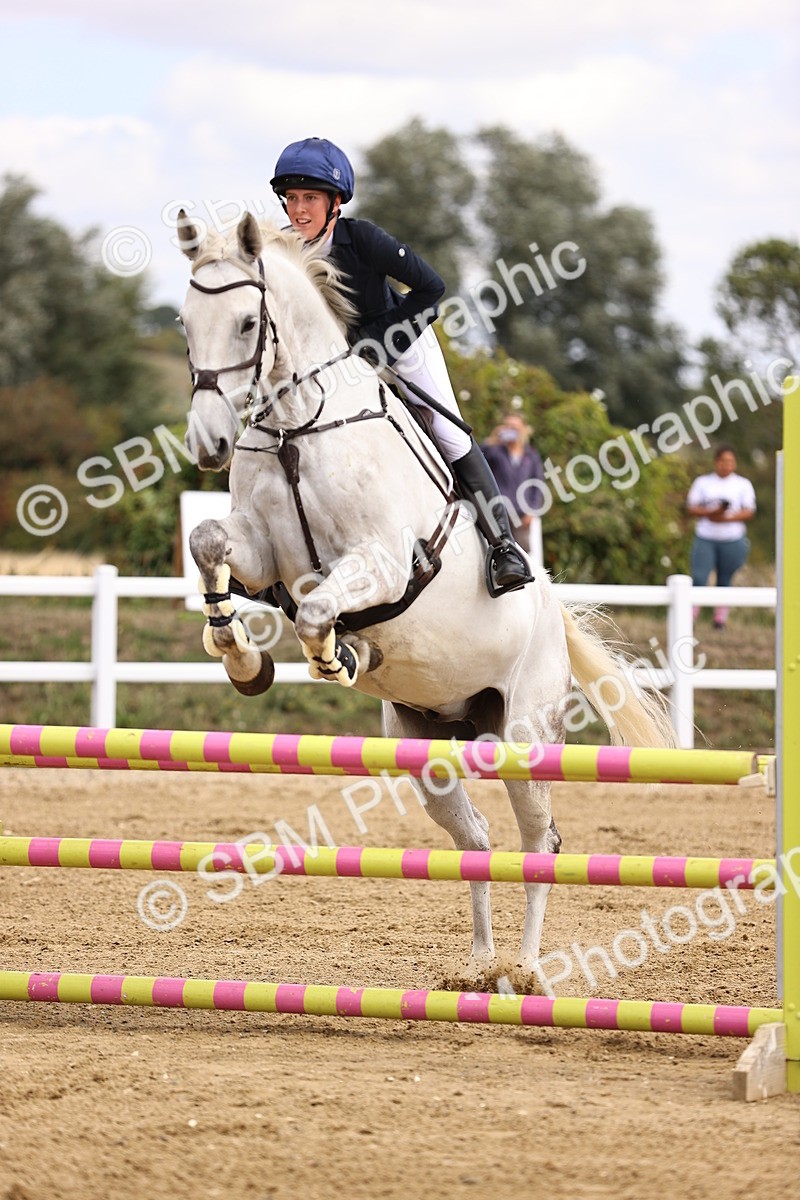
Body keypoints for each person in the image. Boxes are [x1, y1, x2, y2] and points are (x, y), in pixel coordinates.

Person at [269, 136, 534, 597]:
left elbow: (432, 289)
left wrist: (377, 342)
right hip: (334, 364)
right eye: (291, 199)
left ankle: (503, 546)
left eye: (309, 198)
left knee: (450, 433)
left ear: (334, 203)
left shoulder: (364, 239)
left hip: (402, 345)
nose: (298, 209)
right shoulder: (285, 249)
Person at [685, 444, 756, 629]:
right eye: (723, 461)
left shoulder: (742, 484)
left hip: (732, 538)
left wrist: (727, 516)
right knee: (700, 578)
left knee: (725, 579)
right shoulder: (703, 482)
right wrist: (711, 512)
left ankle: (719, 620)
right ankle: (690, 617)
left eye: (730, 461)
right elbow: (692, 507)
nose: (727, 465)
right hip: (706, 536)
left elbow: (749, 511)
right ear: (716, 462)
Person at [481, 413, 546, 569]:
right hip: (499, 510)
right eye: (508, 427)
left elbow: (537, 484)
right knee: (497, 549)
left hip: (522, 513)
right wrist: (492, 440)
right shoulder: (494, 451)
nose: (511, 430)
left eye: (515, 427)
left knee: (523, 553)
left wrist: (533, 510)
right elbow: (478, 462)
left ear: (524, 430)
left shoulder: (531, 455)